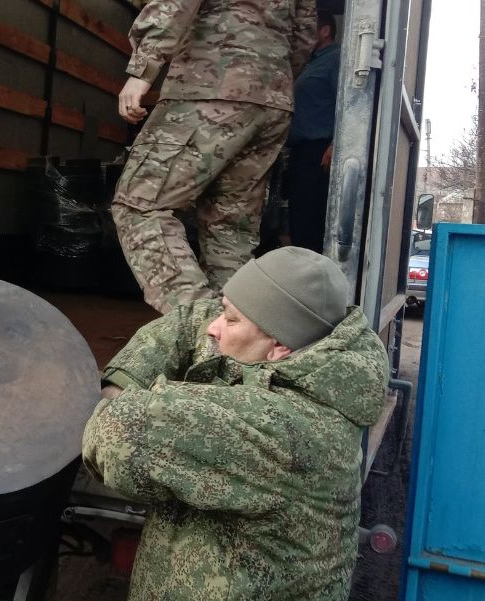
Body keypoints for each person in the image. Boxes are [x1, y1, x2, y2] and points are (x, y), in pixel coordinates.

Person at [82, 246, 389, 600]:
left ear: (280, 348)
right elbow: (193, 319)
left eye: (230, 321)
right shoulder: (300, 354)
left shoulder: (285, 430)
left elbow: (116, 434)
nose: (213, 328)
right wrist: (121, 381)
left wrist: (110, 403)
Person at [112, 0, 317, 314]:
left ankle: (202, 327)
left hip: (209, 88)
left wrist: (143, 69)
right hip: (272, 100)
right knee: (230, 229)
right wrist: (268, 79)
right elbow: (304, 35)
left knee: (140, 205)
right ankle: (236, 342)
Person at [286, 10, 341, 253]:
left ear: (325, 30)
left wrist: (337, 143)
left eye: (310, 29)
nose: (303, 35)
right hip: (299, 152)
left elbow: (350, 101)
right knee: (298, 221)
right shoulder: (310, 62)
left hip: (320, 153)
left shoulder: (337, 58)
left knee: (310, 226)